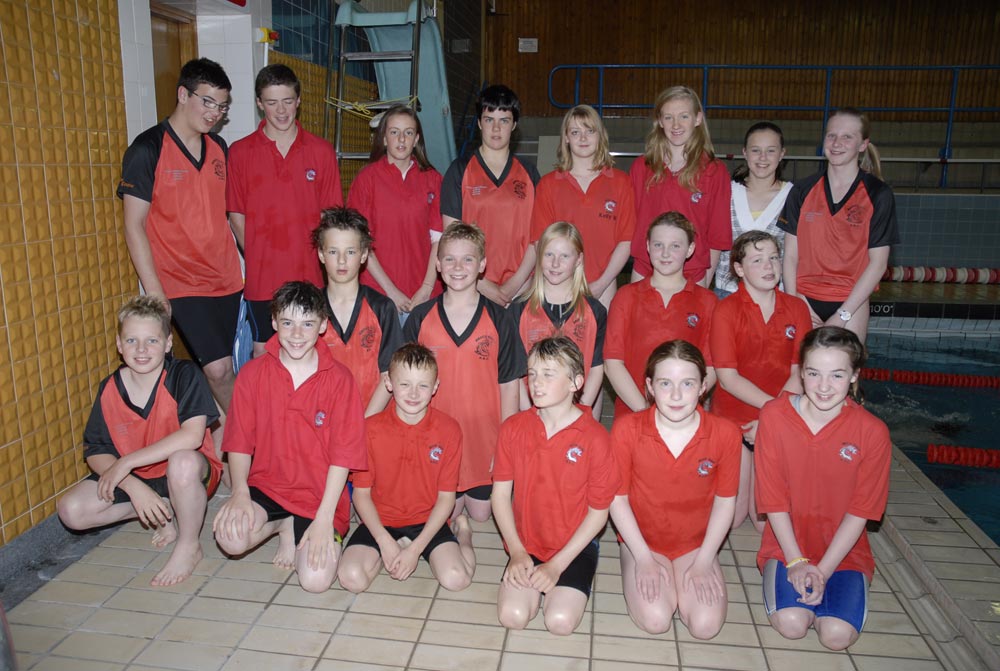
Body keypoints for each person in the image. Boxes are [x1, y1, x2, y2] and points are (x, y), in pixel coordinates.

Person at [57, 296, 223, 587]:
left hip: (188, 472)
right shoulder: (110, 388)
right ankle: (161, 509)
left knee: (182, 461)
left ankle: (188, 545)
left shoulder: (184, 375)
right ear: (119, 345)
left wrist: (126, 463)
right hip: (139, 476)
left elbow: (192, 435)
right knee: (71, 510)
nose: (141, 349)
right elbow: (95, 450)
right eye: (132, 340)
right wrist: (133, 486)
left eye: (152, 341)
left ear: (168, 344)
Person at [212, 282, 367, 593]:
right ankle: (283, 525)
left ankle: (297, 526)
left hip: (319, 498)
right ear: (273, 322)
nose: (297, 334)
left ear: (322, 325)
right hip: (268, 486)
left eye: (307, 324)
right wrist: (240, 492)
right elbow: (239, 442)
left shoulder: (340, 380)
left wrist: (324, 518)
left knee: (315, 581)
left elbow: (343, 458)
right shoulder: (252, 374)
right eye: (287, 323)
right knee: (230, 539)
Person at [118, 58, 242, 412]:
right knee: (219, 370)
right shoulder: (147, 149)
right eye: (208, 102)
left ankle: (224, 441)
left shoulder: (219, 149)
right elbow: (134, 225)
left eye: (222, 106)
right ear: (183, 94)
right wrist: (155, 291)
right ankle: (253, 438)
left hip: (227, 279)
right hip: (181, 282)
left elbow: (231, 214)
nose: (215, 113)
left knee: (225, 368)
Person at [756, 326, 892, 650]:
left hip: (844, 553)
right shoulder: (774, 416)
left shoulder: (872, 432)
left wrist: (824, 570)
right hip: (786, 546)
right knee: (792, 624)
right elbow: (773, 499)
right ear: (801, 373)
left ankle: (832, 593)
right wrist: (796, 561)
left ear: (854, 376)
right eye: (814, 373)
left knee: (836, 636)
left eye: (837, 375)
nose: (824, 386)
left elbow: (861, 511)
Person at [610, 340, 739, 639]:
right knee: (656, 620)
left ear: (703, 386)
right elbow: (617, 500)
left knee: (705, 626)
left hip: (695, 544)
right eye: (665, 383)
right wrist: (643, 557)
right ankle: (635, 564)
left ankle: (685, 578)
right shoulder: (627, 430)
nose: (677, 395)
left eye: (688, 383)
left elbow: (725, 502)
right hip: (642, 541)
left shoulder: (725, 434)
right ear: (650, 386)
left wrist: (704, 560)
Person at [492, 337, 619, 635]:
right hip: (526, 544)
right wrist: (517, 552)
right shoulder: (513, 428)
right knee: (513, 617)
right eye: (532, 373)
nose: (537, 383)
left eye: (549, 374)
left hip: (573, 548)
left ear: (576, 382)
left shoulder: (596, 439)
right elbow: (500, 496)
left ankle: (571, 575)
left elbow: (598, 514)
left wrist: (556, 566)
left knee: (559, 622)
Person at [404, 223, 526, 522]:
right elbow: (403, 383)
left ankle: (465, 527)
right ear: (437, 264)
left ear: (482, 265)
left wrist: (505, 446)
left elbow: (509, 385)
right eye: (449, 259)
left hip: (483, 438)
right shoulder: (420, 317)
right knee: (447, 511)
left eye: (468, 259)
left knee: (482, 514)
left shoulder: (500, 319)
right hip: (436, 438)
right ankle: (459, 526)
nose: (458, 268)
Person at [338, 343, 476, 593]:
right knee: (351, 579)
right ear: (389, 383)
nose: (413, 393)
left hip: (427, 520)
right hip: (382, 519)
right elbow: (361, 494)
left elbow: (446, 499)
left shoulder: (449, 430)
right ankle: (392, 548)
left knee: (457, 579)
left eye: (423, 385)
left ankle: (463, 533)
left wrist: (415, 549)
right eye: (404, 384)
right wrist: (383, 540)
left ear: (435, 387)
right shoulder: (370, 429)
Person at [227, 64, 343, 356]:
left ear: (298, 101)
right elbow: (236, 216)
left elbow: (329, 218)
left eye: (288, 101)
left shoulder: (321, 152)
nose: (281, 111)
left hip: (310, 277)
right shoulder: (240, 153)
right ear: (259, 103)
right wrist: (259, 254)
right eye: (271, 102)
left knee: (310, 351)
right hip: (262, 281)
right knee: (263, 354)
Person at [710, 232, 812, 532]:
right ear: (739, 268)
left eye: (773, 258)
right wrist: (773, 413)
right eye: (757, 260)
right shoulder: (726, 310)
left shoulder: (796, 308)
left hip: (781, 420)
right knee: (734, 517)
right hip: (735, 421)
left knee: (763, 522)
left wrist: (773, 419)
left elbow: (800, 372)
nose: (769, 266)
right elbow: (728, 378)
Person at [780, 108, 899, 343]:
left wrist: (843, 314)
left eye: (847, 137)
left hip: (851, 301)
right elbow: (790, 256)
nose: (836, 143)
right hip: (804, 298)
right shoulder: (802, 190)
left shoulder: (878, 194)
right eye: (831, 135)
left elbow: (878, 263)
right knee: (802, 366)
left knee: (846, 366)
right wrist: (794, 303)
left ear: (863, 144)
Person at [605, 212, 717, 415]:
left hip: (684, 413)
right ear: (648, 246)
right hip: (634, 412)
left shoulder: (707, 301)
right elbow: (613, 363)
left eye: (675, 246)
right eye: (658, 245)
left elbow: (712, 366)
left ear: (690, 249)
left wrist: (680, 407)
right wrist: (646, 413)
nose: (665, 253)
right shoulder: (626, 297)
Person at [441, 85, 541, 306]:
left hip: (521, 289)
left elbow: (538, 237)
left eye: (504, 120)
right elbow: (451, 237)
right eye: (489, 120)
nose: (496, 128)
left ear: (514, 124)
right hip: (472, 287)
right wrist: (481, 284)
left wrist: (514, 285)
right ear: (479, 122)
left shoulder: (529, 174)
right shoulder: (459, 171)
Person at [530, 104, 635, 308]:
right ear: (566, 138)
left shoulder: (621, 182)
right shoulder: (548, 184)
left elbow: (626, 240)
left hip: (603, 287)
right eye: (575, 132)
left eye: (590, 131)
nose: (583, 138)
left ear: (600, 135)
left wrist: (601, 284)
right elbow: (540, 241)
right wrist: (564, 284)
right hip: (558, 285)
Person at [630, 86, 731, 289]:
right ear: (660, 121)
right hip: (646, 270)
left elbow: (717, 235)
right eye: (668, 117)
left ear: (697, 118)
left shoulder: (714, 171)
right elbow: (631, 225)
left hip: (692, 274)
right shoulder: (642, 167)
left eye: (684, 116)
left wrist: (704, 283)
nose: (676, 125)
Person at [347, 104, 443, 317]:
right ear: (383, 138)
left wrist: (427, 288)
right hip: (379, 295)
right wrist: (391, 291)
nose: (401, 139)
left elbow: (439, 239)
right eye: (394, 132)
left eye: (408, 133)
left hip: (424, 295)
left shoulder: (433, 179)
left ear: (416, 139)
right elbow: (359, 242)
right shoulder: (366, 180)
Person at [312, 207, 403, 417]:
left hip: (371, 420)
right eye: (333, 251)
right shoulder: (308, 309)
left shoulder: (382, 308)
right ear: (321, 254)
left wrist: (363, 424)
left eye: (350, 252)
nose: (342, 260)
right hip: (321, 422)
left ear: (363, 255)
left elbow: (390, 373)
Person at [508, 222, 606, 414]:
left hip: (578, 411)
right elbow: (516, 374)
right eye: (549, 254)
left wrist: (580, 412)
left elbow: (596, 368)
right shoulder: (518, 310)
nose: (555, 263)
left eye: (564, 256)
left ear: (578, 260)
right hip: (532, 411)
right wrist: (532, 415)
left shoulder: (595, 312)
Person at [715, 122, 793, 298]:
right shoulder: (726, 191)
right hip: (727, 294)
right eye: (756, 150)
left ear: (782, 153)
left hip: (773, 296)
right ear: (745, 152)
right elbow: (713, 245)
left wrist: (792, 298)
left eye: (771, 150)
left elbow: (793, 256)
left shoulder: (793, 196)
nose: (762, 157)